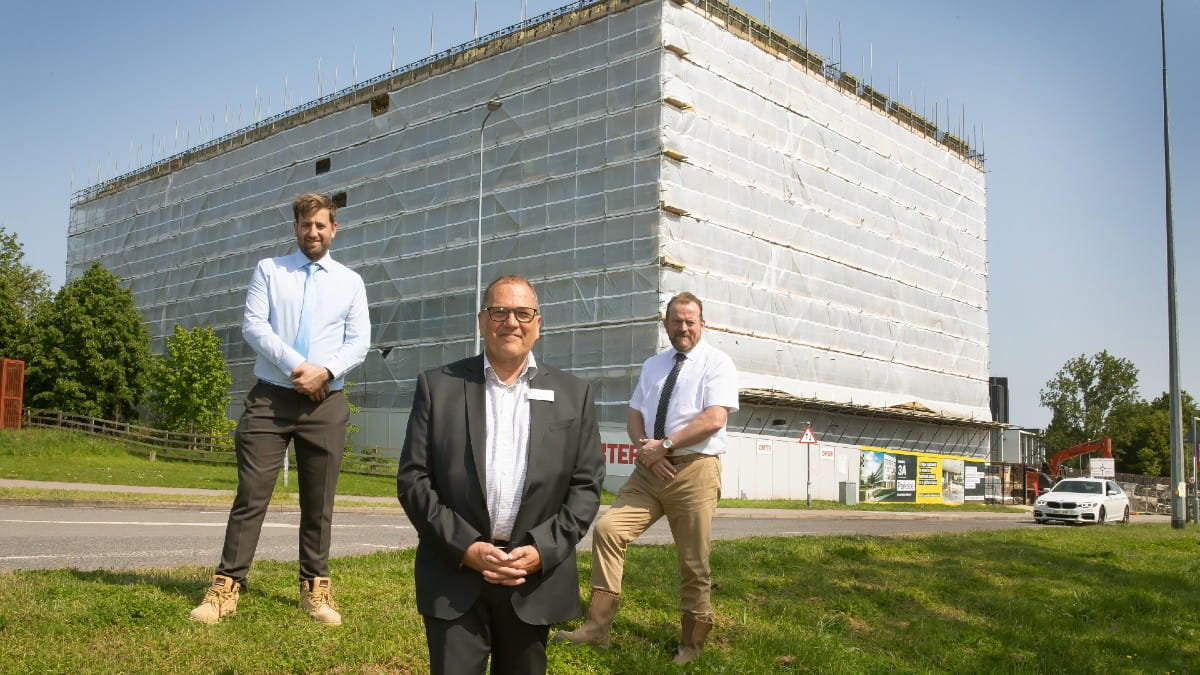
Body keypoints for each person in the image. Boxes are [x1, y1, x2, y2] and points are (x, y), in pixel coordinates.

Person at [397, 274, 604, 675]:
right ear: (481, 321)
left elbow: (585, 487)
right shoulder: (439, 386)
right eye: (499, 312)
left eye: (523, 313)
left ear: (538, 324)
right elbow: (413, 480)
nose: (511, 322)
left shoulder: (574, 395)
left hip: (531, 578)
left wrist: (543, 550)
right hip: (455, 575)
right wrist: (465, 547)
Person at [189, 193, 370, 626]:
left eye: (321, 225)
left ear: (334, 229)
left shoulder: (350, 282)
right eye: (306, 225)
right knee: (251, 496)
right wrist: (299, 367)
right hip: (271, 398)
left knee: (318, 503)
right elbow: (253, 325)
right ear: (296, 228)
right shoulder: (270, 270)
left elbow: (359, 342)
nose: (314, 232)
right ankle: (226, 587)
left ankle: (316, 590)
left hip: (326, 402)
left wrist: (323, 372)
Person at [556, 292, 738, 665]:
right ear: (665, 323)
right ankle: (597, 628)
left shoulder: (717, 363)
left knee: (693, 561)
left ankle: (691, 645)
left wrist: (666, 446)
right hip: (649, 471)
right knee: (608, 529)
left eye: (690, 321)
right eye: (676, 321)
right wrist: (647, 450)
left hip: (694, 471)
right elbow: (635, 412)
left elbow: (714, 418)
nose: (683, 327)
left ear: (702, 324)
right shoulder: (654, 364)